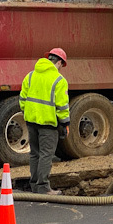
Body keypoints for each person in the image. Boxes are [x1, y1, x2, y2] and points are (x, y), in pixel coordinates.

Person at [19, 47, 70, 195]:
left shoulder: (30, 75)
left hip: (31, 121)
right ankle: (43, 187)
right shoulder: (59, 80)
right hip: (48, 124)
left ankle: (34, 185)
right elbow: (62, 106)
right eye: (62, 65)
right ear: (59, 62)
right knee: (46, 154)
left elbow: (22, 99)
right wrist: (65, 123)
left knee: (35, 153)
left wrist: (27, 113)